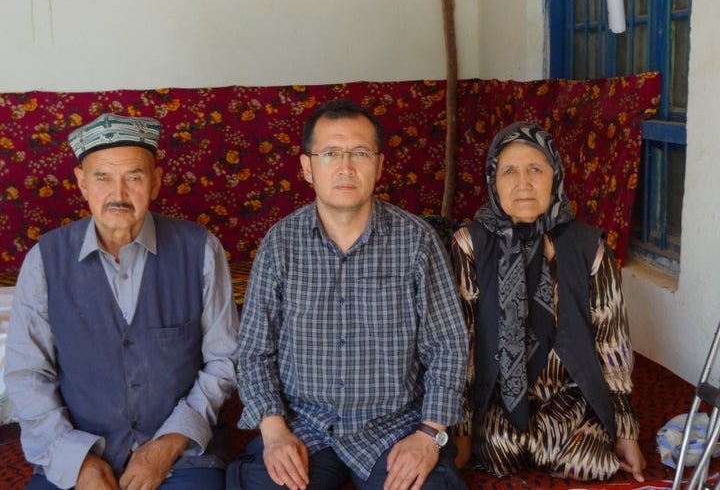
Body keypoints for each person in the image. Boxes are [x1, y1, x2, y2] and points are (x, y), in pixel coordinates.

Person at [228, 98, 469, 490]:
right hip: (301, 427)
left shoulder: (416, 242)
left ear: (379, 164)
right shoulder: (280, 245)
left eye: (360, 153)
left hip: (395, 428)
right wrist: (273, 432)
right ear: (307, 167)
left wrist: (429, 434)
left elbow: (448, 345)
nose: (345, 167)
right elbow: (255, 351)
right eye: (330, 154)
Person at [4, 113, 239, 490]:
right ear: (82, 182)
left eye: (134, 176)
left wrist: (166, 445)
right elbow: (27, 375)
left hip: (183, 455)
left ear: (156, 181)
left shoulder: (201, 250)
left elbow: (224, 360)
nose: (119, 193)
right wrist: (75, 460)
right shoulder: (45, 259)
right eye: (102, 177)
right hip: (78, 451)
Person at [448, 121, 646, 482]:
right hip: (497, 393)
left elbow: (611, 339)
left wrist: (624, 430)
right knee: (500, 451)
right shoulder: (470, 244)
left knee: (591, 463)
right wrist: (461, 428)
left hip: (568, 394)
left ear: (556, 177)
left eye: (536, 169)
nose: (523, 182)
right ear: (493, 181)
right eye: (509, 171)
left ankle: (561, 440)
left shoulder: (588, 247)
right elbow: (463, 339)